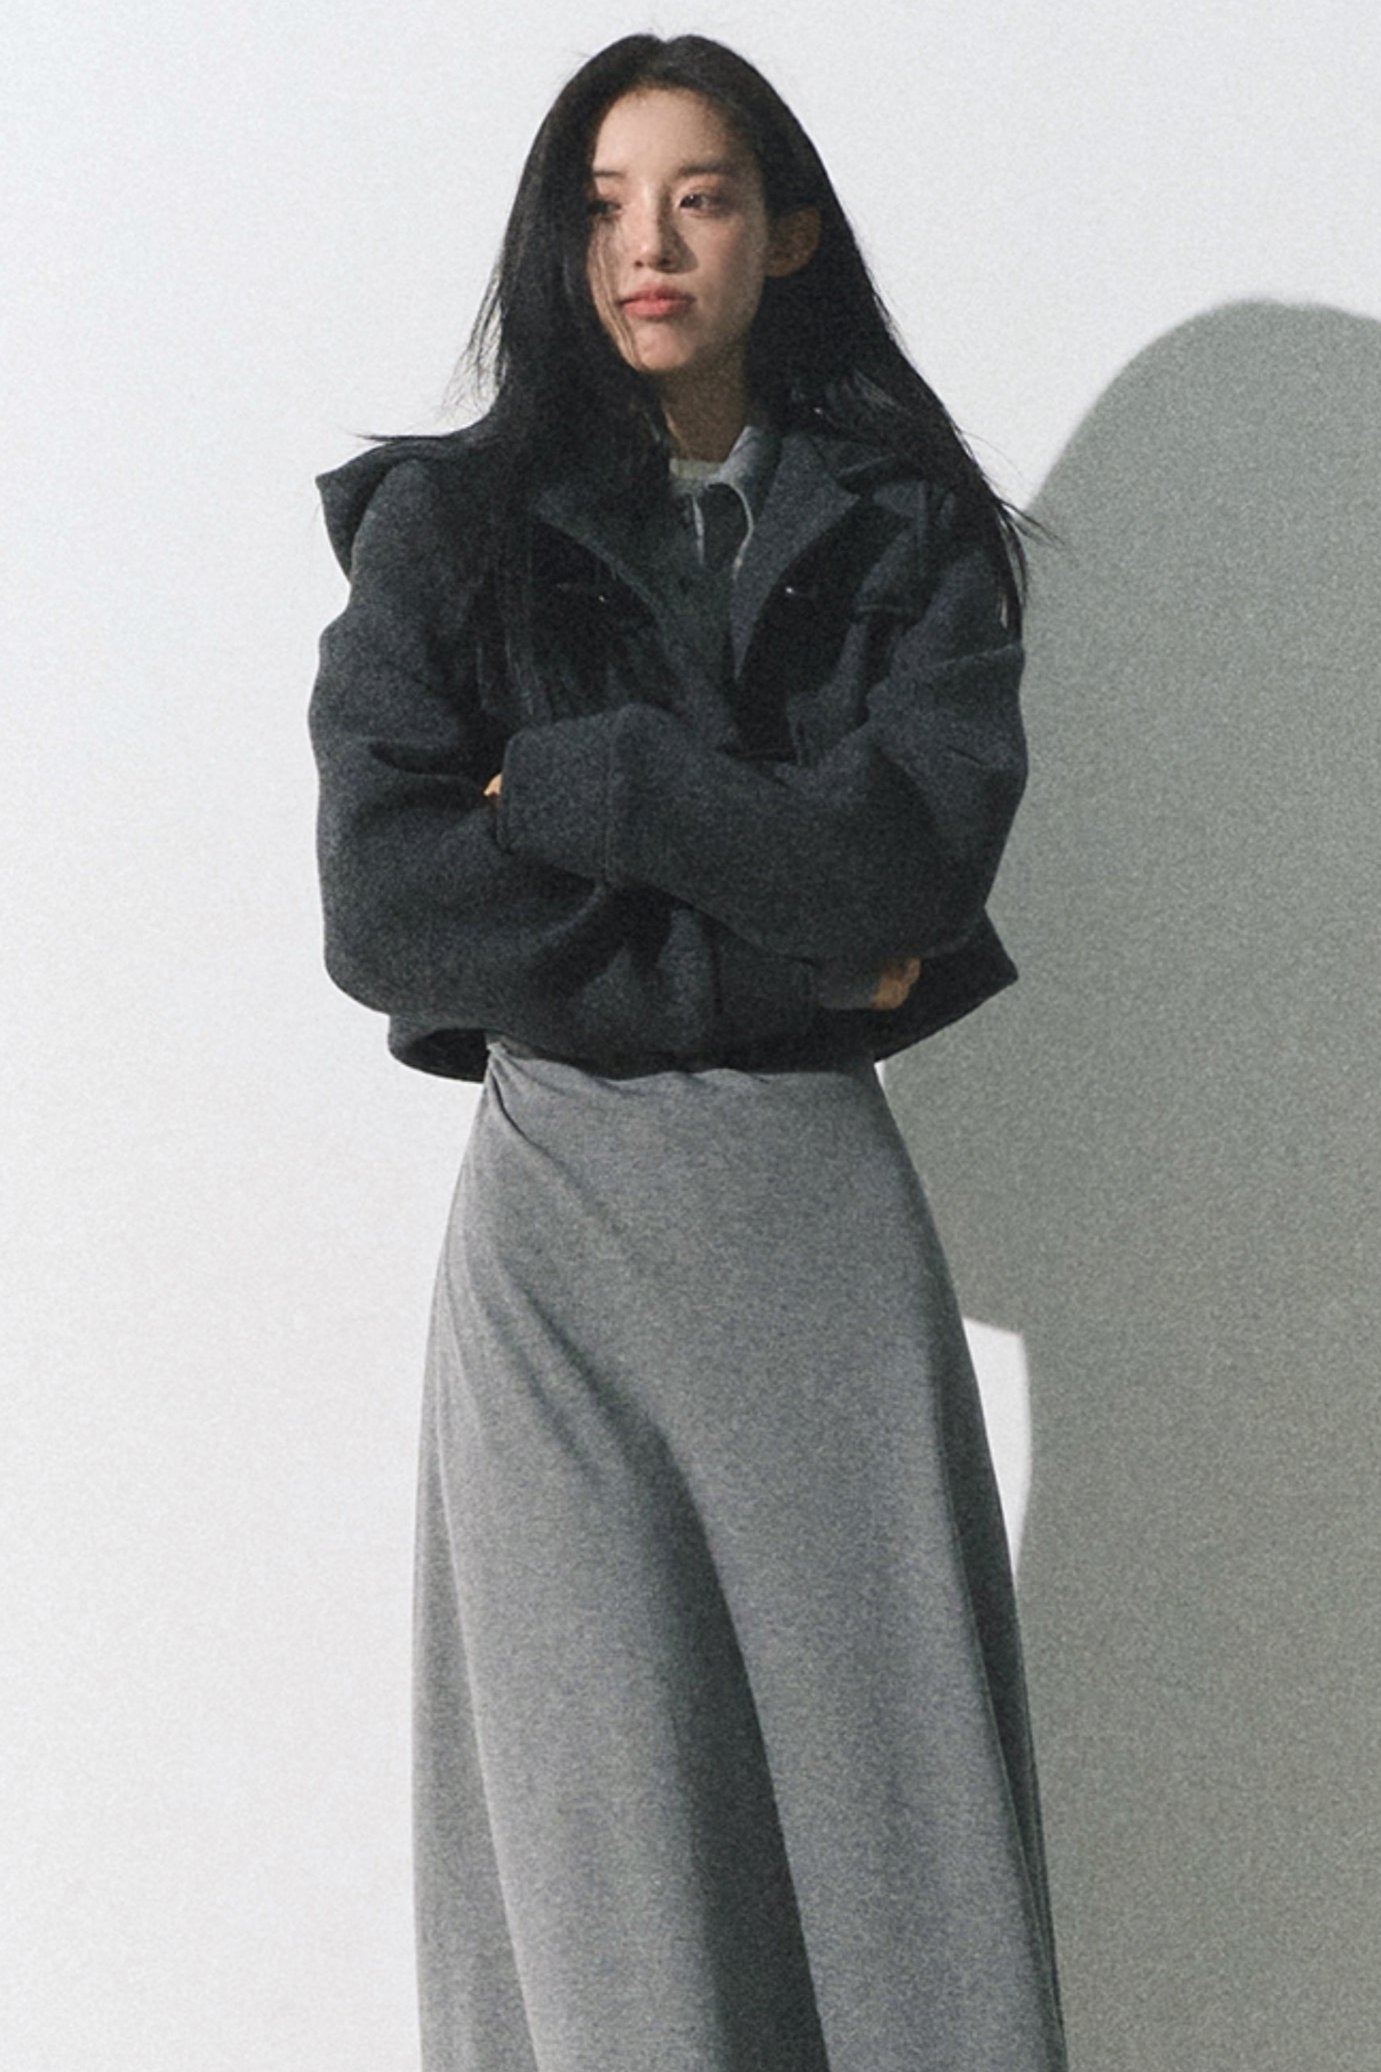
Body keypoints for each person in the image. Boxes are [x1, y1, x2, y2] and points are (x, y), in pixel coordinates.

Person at [309, 31, 1066, 2072]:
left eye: (700, 197)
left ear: (785, 234)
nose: (646, 244)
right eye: (603, 205)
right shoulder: (447, 531)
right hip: (557, 1241)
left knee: (891, 1816)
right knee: (598, 1822)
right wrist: (810, 956)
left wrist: (596, 781)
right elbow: (389, 908)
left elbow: (906, 863)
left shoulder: (909, 531)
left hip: (814, 1232)